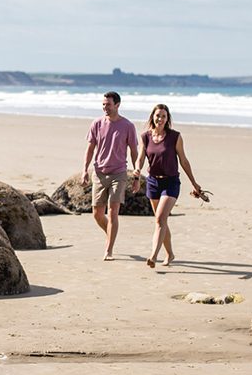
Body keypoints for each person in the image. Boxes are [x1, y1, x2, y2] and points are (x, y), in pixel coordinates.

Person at [133, 103, 204, 268]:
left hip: (171, 182)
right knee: (162, 221)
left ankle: (153, 256)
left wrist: (194, 183)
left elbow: (184, 161)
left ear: (167, 119)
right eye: (158, 115)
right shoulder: (145, 136)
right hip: (152, 182)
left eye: (164, 116)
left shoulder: (175, 137)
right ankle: (170, 254)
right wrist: (137, 169)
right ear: (153, 117)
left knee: (159, 218)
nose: (160, 119)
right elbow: (141, 157)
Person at [81, 91, 141, 261]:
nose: (105, 107)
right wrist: (85, 169)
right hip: (99, 173)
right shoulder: (97, 124)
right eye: (103, 104)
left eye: (108, 104)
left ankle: (109, 250)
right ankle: (111, 232)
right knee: (97, 214)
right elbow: (90, 149)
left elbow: (134, 152)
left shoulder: (128, 126)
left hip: (119, 173)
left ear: (117, 105)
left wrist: (137, 175)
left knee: (113, 211)